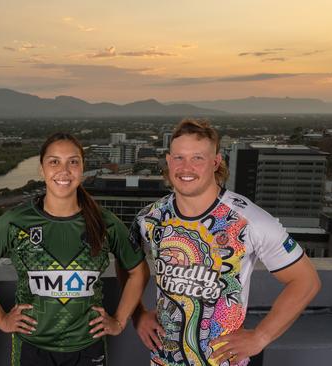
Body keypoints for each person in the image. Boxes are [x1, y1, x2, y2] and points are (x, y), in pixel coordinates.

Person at [130, 119, 321, 366]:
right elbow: (129, 266)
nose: (186, 167)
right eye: (179, 158)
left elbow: (306, 281)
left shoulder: (248, 221)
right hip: (163, 360)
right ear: (168, 161)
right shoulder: (150, 218)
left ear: (215, 162)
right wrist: (137, 315)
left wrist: (260, 337)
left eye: (197, 158)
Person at [0, 132, 150, 366]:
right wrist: (1, 319)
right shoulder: (15, 221)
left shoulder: (105, 222)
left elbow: (138, 270)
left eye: (73, 162)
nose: (64, 170)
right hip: (32, 347)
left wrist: (120, 320)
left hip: (88, 346)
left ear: (82, 169)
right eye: (54, 161)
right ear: (42, 169)